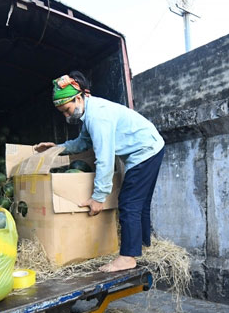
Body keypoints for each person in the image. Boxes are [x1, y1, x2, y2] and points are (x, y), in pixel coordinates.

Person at [34, 72, 165, 272]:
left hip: (146, 150)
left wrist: (98, 197)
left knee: (129, 203)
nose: (67, 116)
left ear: (78, 98)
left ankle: (128, 257)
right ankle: (142, 246)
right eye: (62, 113)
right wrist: (57, 147)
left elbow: (104, 159)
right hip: (151, 147)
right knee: (140, 202)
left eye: (67, 110)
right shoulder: (89, 112)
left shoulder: (98, 116)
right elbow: (82, 143)